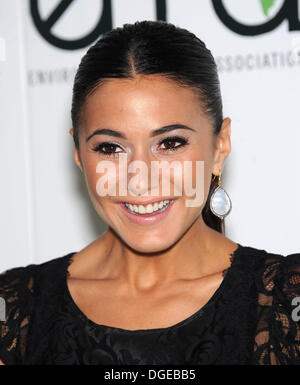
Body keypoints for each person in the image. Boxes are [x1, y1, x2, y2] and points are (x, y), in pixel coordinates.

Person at [0, 20, 299, 365]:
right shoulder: (15, 311)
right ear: (79, 153)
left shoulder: (287, 306)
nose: (140, 179)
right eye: (111, 148)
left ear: (220, 146)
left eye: (170, 143)